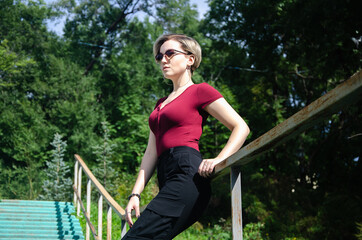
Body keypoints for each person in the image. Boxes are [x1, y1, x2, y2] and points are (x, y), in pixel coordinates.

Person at [122, 34, 250, 239]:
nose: (163, 60)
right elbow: (151, 152)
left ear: (190, 59)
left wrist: (219, 159)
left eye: (170, 53)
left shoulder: (200, 91)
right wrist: (135, 193)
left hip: (187, 174)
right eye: (159, 56)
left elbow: (240, 127)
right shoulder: (159, 104)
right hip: (167, 176)